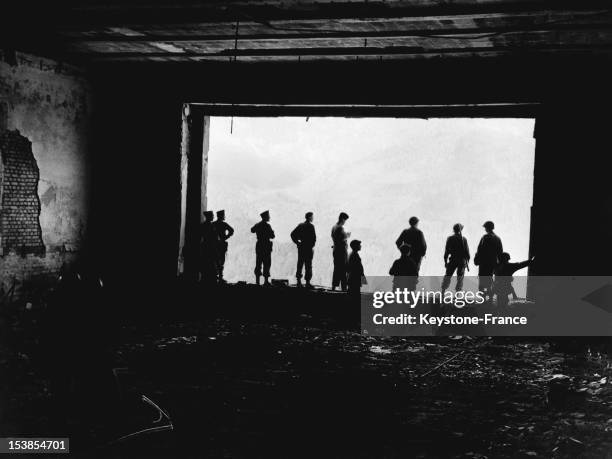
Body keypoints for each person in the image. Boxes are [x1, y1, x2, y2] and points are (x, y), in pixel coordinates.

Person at [474, 221, 503, 301]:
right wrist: (499, 264)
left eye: (485, 227)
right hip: (492, 263)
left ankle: (483, 299)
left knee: (482, 282)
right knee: (489, 281)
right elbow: (500, 252)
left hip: (484, 263)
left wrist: (476, 260)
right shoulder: (497, 238)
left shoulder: (485, 237)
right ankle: (489, 298)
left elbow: (480, 250)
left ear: (487, 228)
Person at [441, 223, 470, 293]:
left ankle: (443, 291)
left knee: (448, 276)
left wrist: (445, 261)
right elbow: (467, 253)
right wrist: (467, 262)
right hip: (461, 261)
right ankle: (457, 294)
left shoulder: (450, 238)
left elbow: (447, 251)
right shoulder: (464, 239)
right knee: (460, 278)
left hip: (453, 260)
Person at [290, 212, 316, 288]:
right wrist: (311, 245)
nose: (313, 218)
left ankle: (299, 282)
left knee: (300, 264)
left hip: (301, 248)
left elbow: (292, 234)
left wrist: (297, 242)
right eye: (312, 217)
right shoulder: (311, 226)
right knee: (308, 265)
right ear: (310, 217)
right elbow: (314, 238)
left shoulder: (300, 225)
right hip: (308, 248)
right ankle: (307, 283)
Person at [251, 210, 275, 286]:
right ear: (265, 217)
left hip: (259, 246)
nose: (269, 217)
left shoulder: (258, 225)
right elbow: (272, 236)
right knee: (267, 263)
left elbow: (252, 230)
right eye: (268, 216)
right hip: (266, 246)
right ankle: (266, 281)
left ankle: (257, 281)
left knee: (258, 263)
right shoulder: (268, 226)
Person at [212, 209, 234, 283]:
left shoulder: (213, 224)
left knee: (215, 260)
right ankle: (220, 277)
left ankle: (215, 277)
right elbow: (231, 230)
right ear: (222, 216)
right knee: (221, 261)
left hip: (215, 245)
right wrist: (225, 237)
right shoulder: (224, 224)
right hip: (221, 245)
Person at [331, 212, 351, 291]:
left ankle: (334, 286)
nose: (345, 222)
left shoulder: (334, 227)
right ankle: (344, 288)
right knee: (343, 269)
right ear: (342, 219)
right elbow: (342, 238)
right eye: (345, 220)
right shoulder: (340, 228)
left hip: (336, 249)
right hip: (341, 251)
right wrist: (347, 236)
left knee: (336, 269)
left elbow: (334, 237)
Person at [200, 210, 219, 284]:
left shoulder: (203, 225)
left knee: (205, 262)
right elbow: (215, 237)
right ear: (209, 216)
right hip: (210, 246)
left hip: (205, 245)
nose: (213, 217)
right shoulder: (211, 226)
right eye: (212, 215)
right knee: (211, 262)